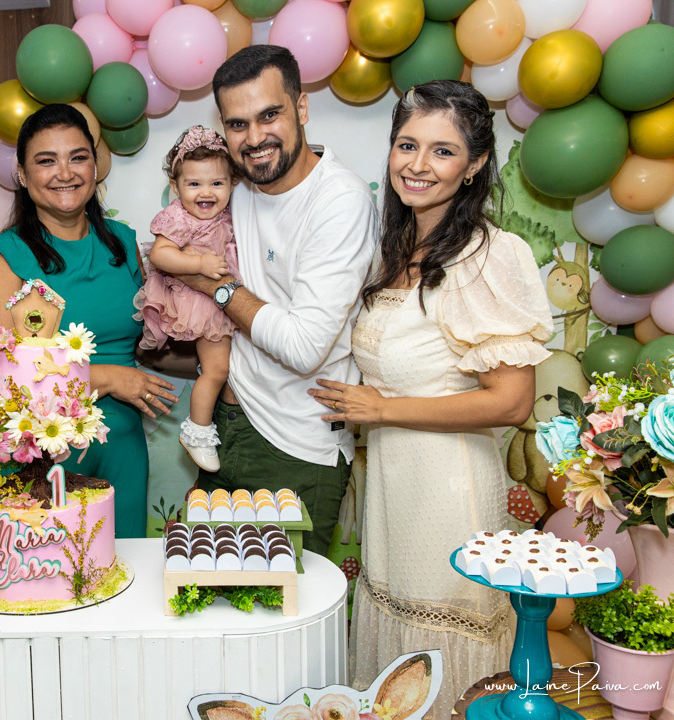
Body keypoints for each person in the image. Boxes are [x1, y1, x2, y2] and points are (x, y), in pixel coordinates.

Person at [307, 80, 553, 717]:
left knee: (440, 655)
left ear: (474, 165)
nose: (417, 164)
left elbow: (511, 402)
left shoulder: (488, 255)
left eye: (442, 151)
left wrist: (381, 409)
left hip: (450, 493)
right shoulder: (395, 249)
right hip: (395, 488)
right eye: (407, 144)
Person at [176, 46, 378, 555]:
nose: (254, 138)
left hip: (295, 448)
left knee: (286, 601)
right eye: (237, 124)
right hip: (225, 430)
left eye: (270, 115)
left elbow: (303, 347)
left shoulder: (340, 201)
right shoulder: (234, 189)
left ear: (301, 108)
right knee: (204, 593)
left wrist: (216, 287)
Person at [0, 103, 177, 539]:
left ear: (95, 166)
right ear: (22, 175)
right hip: (41, 456)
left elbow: (146, 345)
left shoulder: (123, 242)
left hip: (123, 449)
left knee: (125, 571)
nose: (65, 173)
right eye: (46, 161)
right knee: (47, 574)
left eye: (78, 157)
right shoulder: (4, 258)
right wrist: (108, 378)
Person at [135, 125, 241, 473]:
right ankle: (198, 431)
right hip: (201, 304)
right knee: (217, 369)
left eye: (217, 183)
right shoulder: (179, 217)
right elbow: (160, 255)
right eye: (194, 184)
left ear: (232, 184)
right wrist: (199, 264)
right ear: (176, 187)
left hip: (230, 302)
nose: (206, 192)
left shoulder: (231, 214)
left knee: (230, 369)